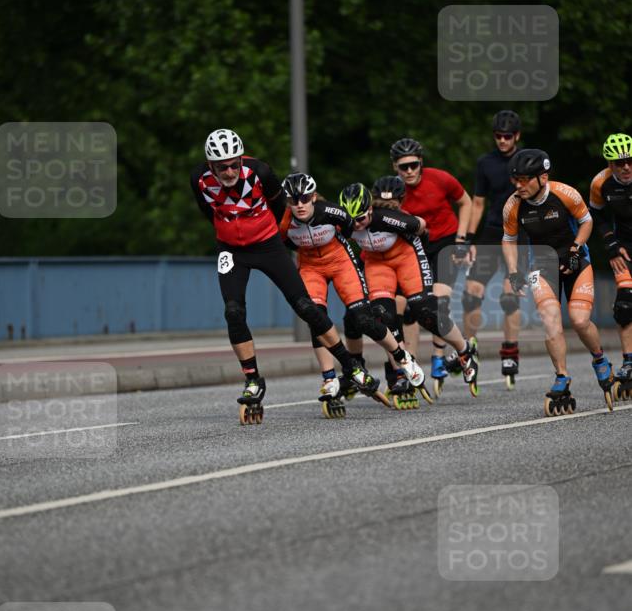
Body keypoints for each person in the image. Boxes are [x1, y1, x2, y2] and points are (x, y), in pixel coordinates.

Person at [190, 129, 380, 422]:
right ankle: (253, 380)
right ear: (210, 165)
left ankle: (351, 366)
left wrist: (268, 235)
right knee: (233, 311)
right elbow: (208, 211)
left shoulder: (260, 172)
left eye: (234, 164)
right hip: (231, 250)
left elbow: (281, 211)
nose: (228, 171)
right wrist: (230, 232)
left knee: (306, 306)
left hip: (267, 245)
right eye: (221, 166)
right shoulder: (199, 179)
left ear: (242, 159)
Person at [280, 172, 424, 415]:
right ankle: (329, 378)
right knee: (316, 318)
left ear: (313, 197)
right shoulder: (283, 223)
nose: (300, 205)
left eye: (304, 198)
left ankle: (403, 358)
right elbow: (286, 243)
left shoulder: (331, 211)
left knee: (363, 318)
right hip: (311, 266)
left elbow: (350, 228)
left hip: (340, 261)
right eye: (293, 201)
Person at [340, 181, 479, 399]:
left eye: (361, 219)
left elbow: (421, 225)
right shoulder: (345, 223)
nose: (356, 225)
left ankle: (464, 350)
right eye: (351, 221)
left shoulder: (384, 217)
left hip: (406, 256)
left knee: (425, 312)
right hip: (378, 262)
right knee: (382, 315)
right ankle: (403, 365)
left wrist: (420, 248)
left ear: (370, 210)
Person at [502, 148, 614, 415]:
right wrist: (514, 271)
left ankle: (600, 360)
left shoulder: (565, 193)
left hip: (576, 262)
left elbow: (586, 222)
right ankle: (562, 376)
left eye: (524, 179)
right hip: (540, 267)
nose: (518, 185)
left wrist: (576, 248)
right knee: (550, 318)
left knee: (578, 320)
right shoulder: (513, 205)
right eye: (514, 179)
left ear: (543, 177)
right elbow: (509, 240)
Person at [390, 137, 475, 394]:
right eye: (403, 167)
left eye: (414, 165)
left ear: (421, 163)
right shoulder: (393, 191)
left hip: (447, 243)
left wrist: (463, 239)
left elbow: (466, 202)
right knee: (408, 308)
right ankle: (410, 365)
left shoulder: (440, 178)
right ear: (395, 167)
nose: (409, 171)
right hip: (415, 250)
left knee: (439, 301)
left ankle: (441, 355)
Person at [463, 110, 523, 388]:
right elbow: (477, 202)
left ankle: (510, 352)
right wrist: (467, 240)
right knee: (471, 295)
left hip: (519, 235)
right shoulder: (484, 162)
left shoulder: (527, 161)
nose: (502, 140)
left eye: (507, 136)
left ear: (517, 137)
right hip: (490, 232)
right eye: (498, 136)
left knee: (511, 297)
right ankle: (469, 349)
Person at [589, 133, 632, 401]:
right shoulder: (600, 183)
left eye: (629, 161)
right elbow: (598, 216)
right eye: (619, 163)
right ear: (610, 165)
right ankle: (629, 362)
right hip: (624, 246)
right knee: (625, 306)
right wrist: (611, 245)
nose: (626, 167)